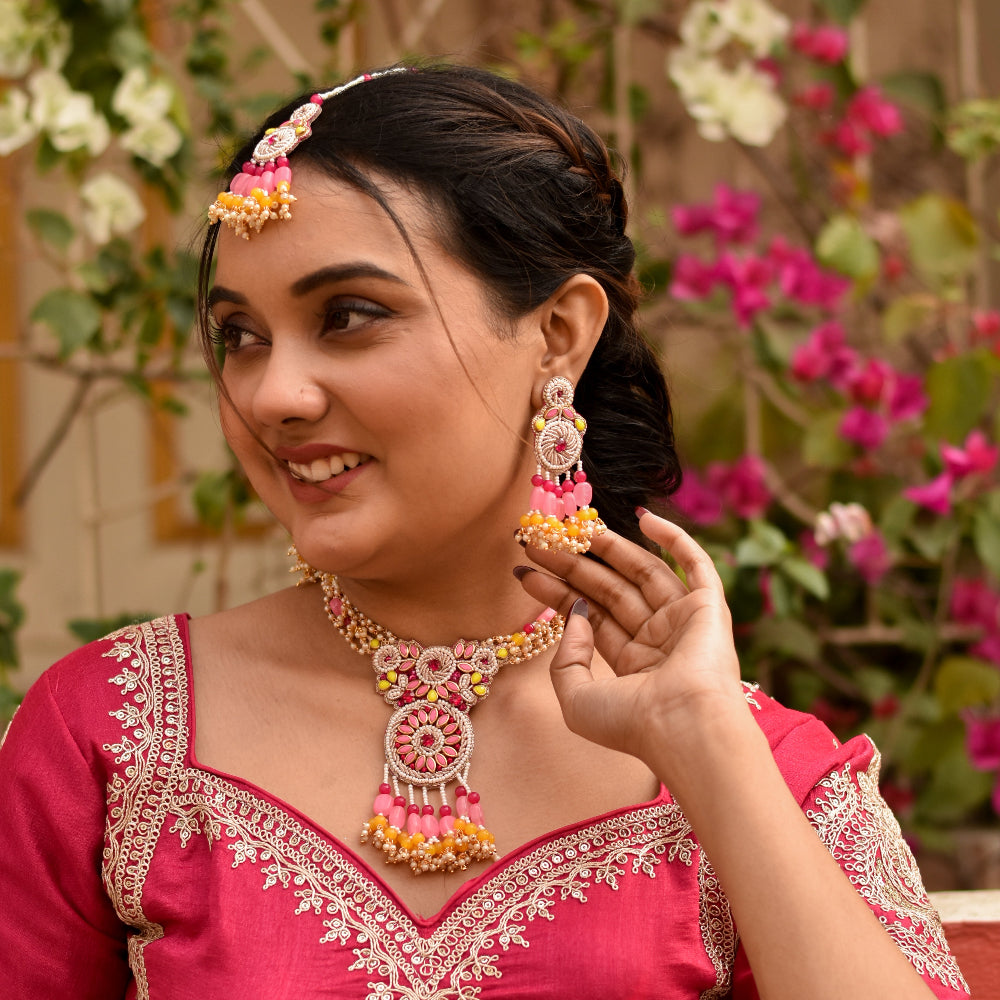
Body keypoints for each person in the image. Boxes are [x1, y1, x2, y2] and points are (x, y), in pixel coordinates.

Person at [0, 63, 969, 999]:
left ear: (557, 333)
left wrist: (704, 746)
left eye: (349, 315)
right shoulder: (114, 732)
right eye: (240, 335)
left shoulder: (760, 765)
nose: (270, 394)